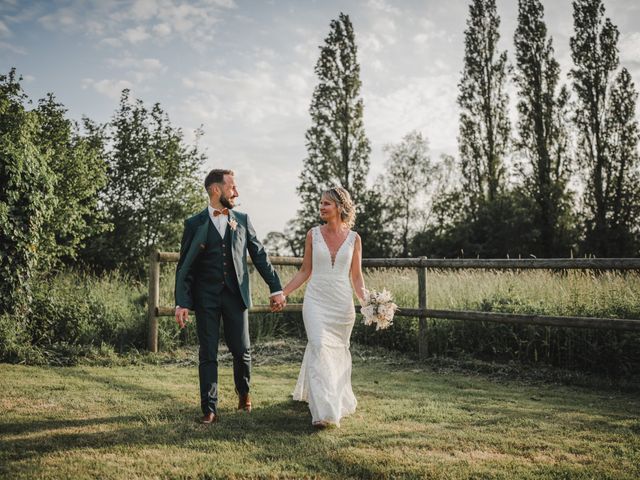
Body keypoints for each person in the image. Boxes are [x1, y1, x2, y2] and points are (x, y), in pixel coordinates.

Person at [174, 169, 286, 424]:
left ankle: (244, 394)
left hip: (236, 297)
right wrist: (182, 301)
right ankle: (209, 408)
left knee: (242, 351)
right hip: (206, 299)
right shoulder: (194, 224)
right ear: (216, 190)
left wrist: (276, 288)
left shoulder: (242, 220)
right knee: (208, 353)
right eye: (232, 187)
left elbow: (259, 256)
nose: (236, 192)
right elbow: (185, 266)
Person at [282, 186, 366, 428]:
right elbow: (305, 271)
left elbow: (357, 278)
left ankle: (334, 399)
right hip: (316, 301)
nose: (321, 207)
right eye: (320, 203)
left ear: (340, 207)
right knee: (319, 346)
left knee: (336, 352)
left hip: (342, 305)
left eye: (326, 203)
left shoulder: (354, 239)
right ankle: (323, 412)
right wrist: (283, 293)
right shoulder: (313, 234)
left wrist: (369, 302)